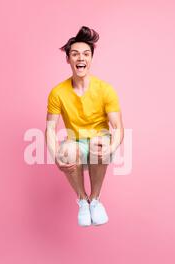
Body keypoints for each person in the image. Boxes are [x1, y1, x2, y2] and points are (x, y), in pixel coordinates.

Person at [45, 26, 124, 227]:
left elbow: (118, 126)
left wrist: (112, 148)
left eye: (86, 54)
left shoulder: (105, 90)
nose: (81, 58)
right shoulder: (57, 92)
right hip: (76, 144)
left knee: (99, 143)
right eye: (75, 54)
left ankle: (95, 200)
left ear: (91, 59)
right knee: (67, 150)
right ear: (68, 59)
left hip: (99, 143)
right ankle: (83, 200)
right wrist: (56, 156)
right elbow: (50, 129)